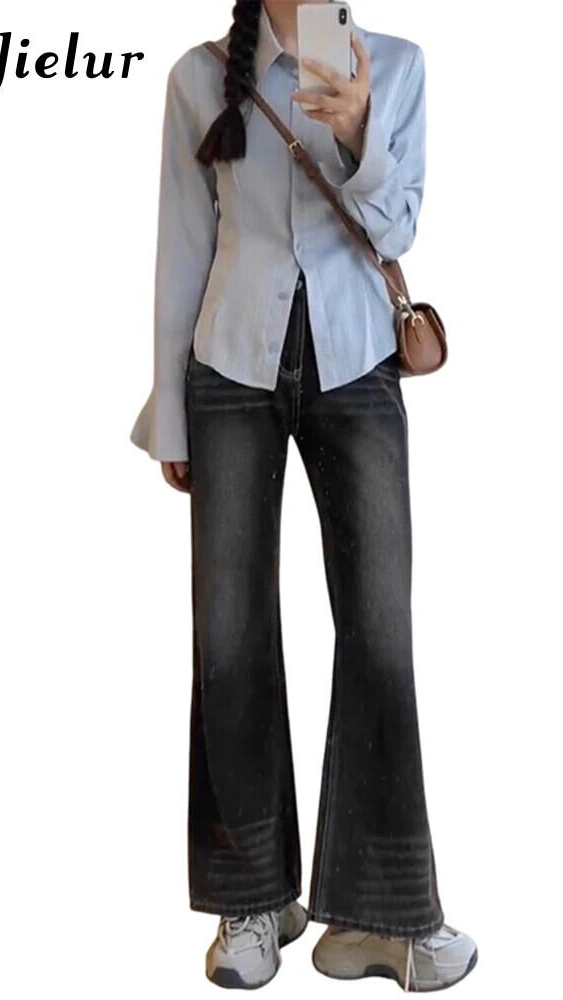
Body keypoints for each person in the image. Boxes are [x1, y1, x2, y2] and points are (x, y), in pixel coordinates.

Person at [130, 0, 478, 991]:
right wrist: (171, 413)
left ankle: (384, 915)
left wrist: (361, 130)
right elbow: (182, 248)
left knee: (380, 634)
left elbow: (397, 225)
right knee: (230, 635)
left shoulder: (397, 66)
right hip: (228, 370)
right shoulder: (200, 75)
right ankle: (252, 900)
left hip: (357, 365)